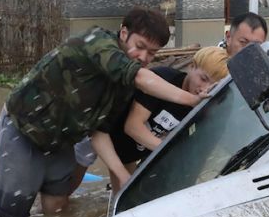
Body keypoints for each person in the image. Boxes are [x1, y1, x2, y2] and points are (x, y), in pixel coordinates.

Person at [0, 6, 209, 217]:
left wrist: (123, 176)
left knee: (57, 207)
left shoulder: (123, 87)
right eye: (140, 47)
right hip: (24, 127)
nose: (143, 57)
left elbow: (100, 131)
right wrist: (191, 100)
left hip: (63, 138)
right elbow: (140, 77)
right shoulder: (97, 42)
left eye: (152, 53)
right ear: (124, 33)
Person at [91, 46, 229, 189]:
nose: (204, 88)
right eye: (203, 78)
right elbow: (133, 127)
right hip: (101, 134)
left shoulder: (205, 105)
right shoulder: (162, 80)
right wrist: (170, 152)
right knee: (71, 182)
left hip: (132, 151)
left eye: (212, 85)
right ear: (191, 66)